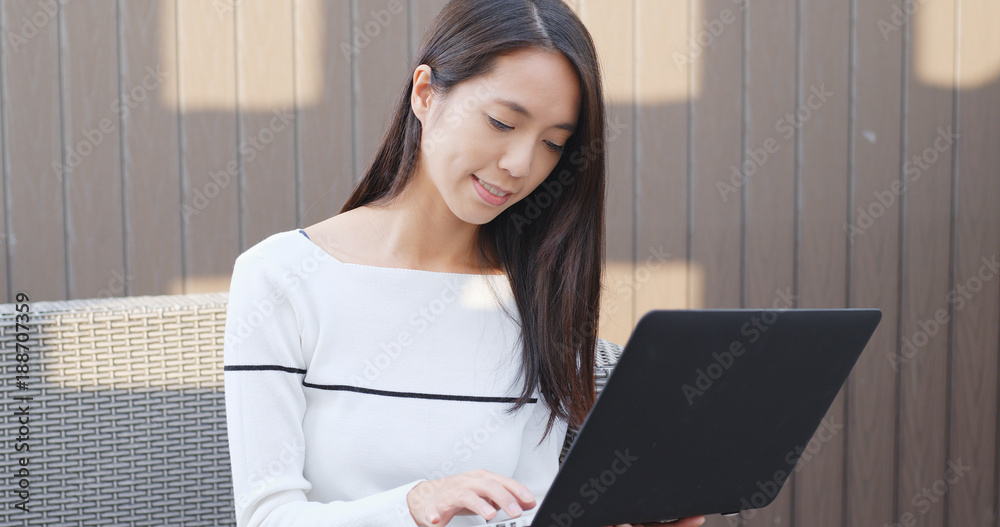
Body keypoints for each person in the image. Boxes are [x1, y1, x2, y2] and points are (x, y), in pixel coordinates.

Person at [223, 1, 705, 526]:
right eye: (501, 122)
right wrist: (414, 505)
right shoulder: (281, 277)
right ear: (425, 94)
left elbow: (532, 509)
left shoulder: (536, 292)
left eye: (552, 144)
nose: (520, 165)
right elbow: (266, 517)